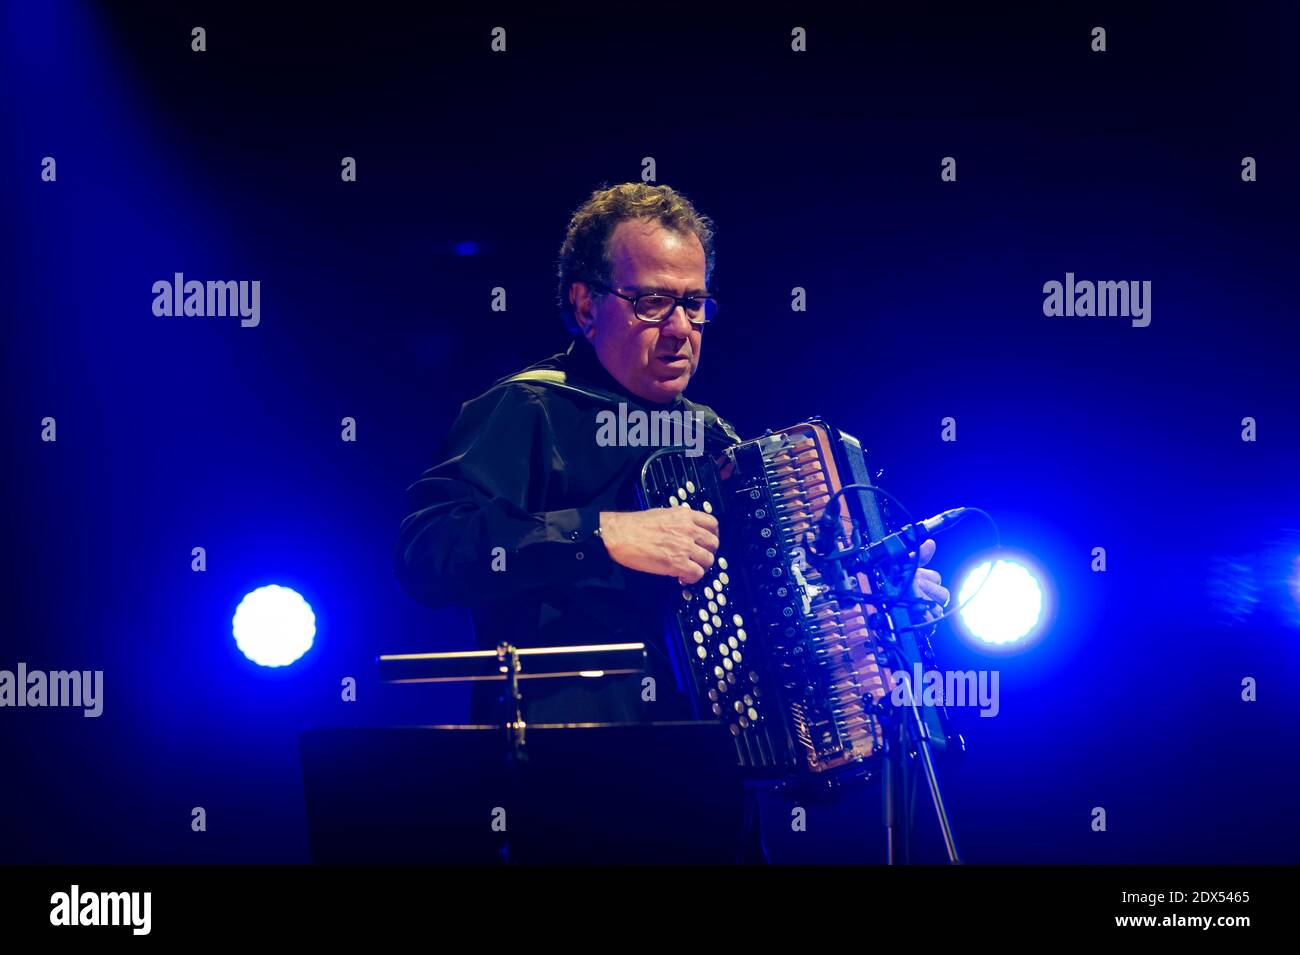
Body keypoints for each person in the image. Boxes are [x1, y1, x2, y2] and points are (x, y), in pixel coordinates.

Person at [395, 181, 950, 727]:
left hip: (715, 773)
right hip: (567, 766)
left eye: (694, 303)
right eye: (654, 303)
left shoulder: (712, 438)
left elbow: (783, 603)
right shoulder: (527, 408)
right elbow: (427, 551)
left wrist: (876, 602)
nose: (680, 329)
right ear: (586, 306)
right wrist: (603, 533)